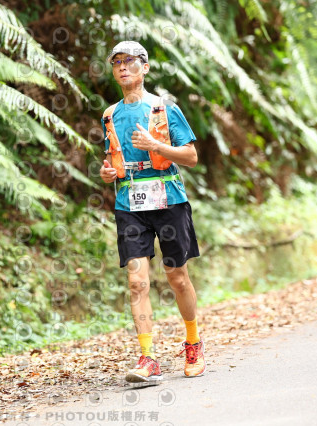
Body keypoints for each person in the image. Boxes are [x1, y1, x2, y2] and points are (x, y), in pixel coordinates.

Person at [98, 41, 205, 382]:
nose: (122, 66)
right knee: (136, 282)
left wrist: (157, 145)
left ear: (144, 68)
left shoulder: (164, 109)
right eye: (116, 62)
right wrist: (107, 172)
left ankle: (193, 343)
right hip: (129, 203)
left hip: (168, 199)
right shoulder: (110, 114)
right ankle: (148, 358)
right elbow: (113, 160)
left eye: (129, 60)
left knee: (177, 276)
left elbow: (191, 157)